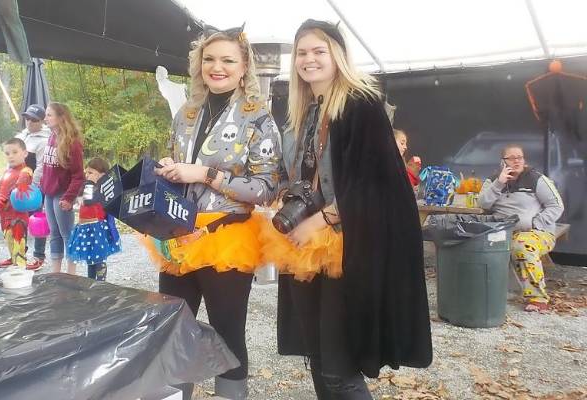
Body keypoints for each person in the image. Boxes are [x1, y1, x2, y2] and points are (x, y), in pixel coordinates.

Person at [264, 20, 432, 399]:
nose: (309, 60)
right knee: (319, 357)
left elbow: (378, 182)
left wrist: (323, 219)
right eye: (302, 52)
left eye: (318, 51)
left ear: (337, 54)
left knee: (340, 367)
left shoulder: (360, 103)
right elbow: (300, 173)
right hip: (306, 247)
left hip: (347, 246)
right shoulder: (303, 109)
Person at [148, 27, 281, 400]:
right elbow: (179, 168)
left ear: (244, 68)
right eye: (209, 59)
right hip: (177, 233)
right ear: (198, 65)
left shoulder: (259, 119)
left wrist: (206, 174)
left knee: (227, 331)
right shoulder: (186, 114)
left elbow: (266, 189)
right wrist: (169, 168)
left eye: (227, 60)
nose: (216, 67)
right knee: (172, 329)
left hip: (228, 237)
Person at [479, 145, 564, 312]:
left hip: (537, 232)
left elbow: (556, 206)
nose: (516, 161)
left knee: (522, 245)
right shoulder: (493, 181)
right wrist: (499, 183)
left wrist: (535, 223)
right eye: (511, 158)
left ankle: (538, 297)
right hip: (502, 231)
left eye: (520, 157)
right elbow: (482, 203)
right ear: (502, 162)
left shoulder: (536, 179)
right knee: (475, 242)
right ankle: (485, 291)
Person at [40, 102, 85, 274]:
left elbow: (78, 175)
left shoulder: (72, 143)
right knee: (54, 234)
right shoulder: (51, 137)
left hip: (62, 194)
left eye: (49, 115)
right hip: (49, 194)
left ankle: (71, 273)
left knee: (67, 234)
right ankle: (56, 272)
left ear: (61, 118)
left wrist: (69, 197)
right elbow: (46, 167)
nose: (46, 118)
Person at [66, 157, 121, 281]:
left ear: (101, 175)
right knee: (90, 257)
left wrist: (90, 184)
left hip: (97, 227)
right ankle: (91, 281)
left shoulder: (100, 189)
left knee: (99, 257)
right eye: (86, 173)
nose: (87, 175)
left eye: (91, 173)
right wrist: (88, 184)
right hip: (85, 226)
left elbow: (89, 200)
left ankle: (101, 282)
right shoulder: (87, 186)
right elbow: (81, 199)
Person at [16, 104, 51, 270]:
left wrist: (33, 187)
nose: (29, 122)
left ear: (41, 121)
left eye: (34, 119)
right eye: (27, 118)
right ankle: (19, 253)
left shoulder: (44, 140)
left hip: (34, 187)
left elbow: (41, 167)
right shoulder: (21, 136)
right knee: (18, 220)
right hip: (17, 186)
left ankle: (39, 256)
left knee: (37, 219)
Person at [0, 138, 34, 269]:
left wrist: (22, 183)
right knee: (9, 242)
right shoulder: (6, 172)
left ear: (25, 153)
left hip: (18, 217)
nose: (11, 156)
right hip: (4, 216)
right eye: (7, 153)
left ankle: (20, 270)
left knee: (18, 243)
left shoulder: (26, 170)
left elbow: (23, 181)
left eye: (15, 152)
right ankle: (13, 259)